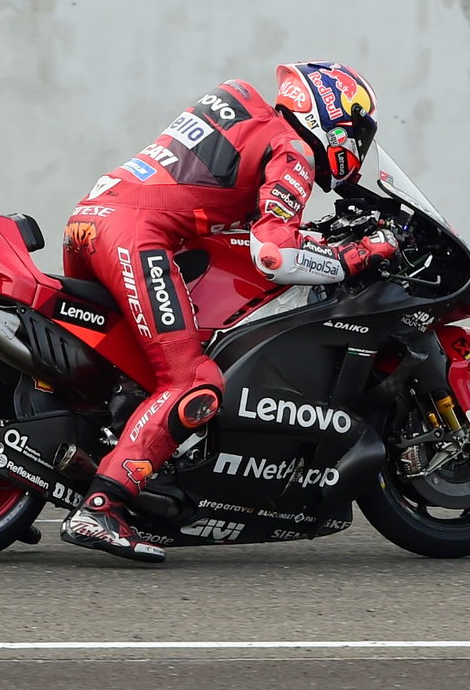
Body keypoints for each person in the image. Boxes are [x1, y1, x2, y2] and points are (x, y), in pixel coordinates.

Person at [58, 61, 398, 563]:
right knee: (193, 380)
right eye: (356, 129)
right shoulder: (295, 150)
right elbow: (272, 254)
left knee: (113, 371)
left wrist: (309, 237)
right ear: (330, 113)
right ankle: (103, 506)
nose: (356, 145)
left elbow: (221, 211)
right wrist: (354, 256)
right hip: (135, 236)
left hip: (90, 220)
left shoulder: (238, 100)